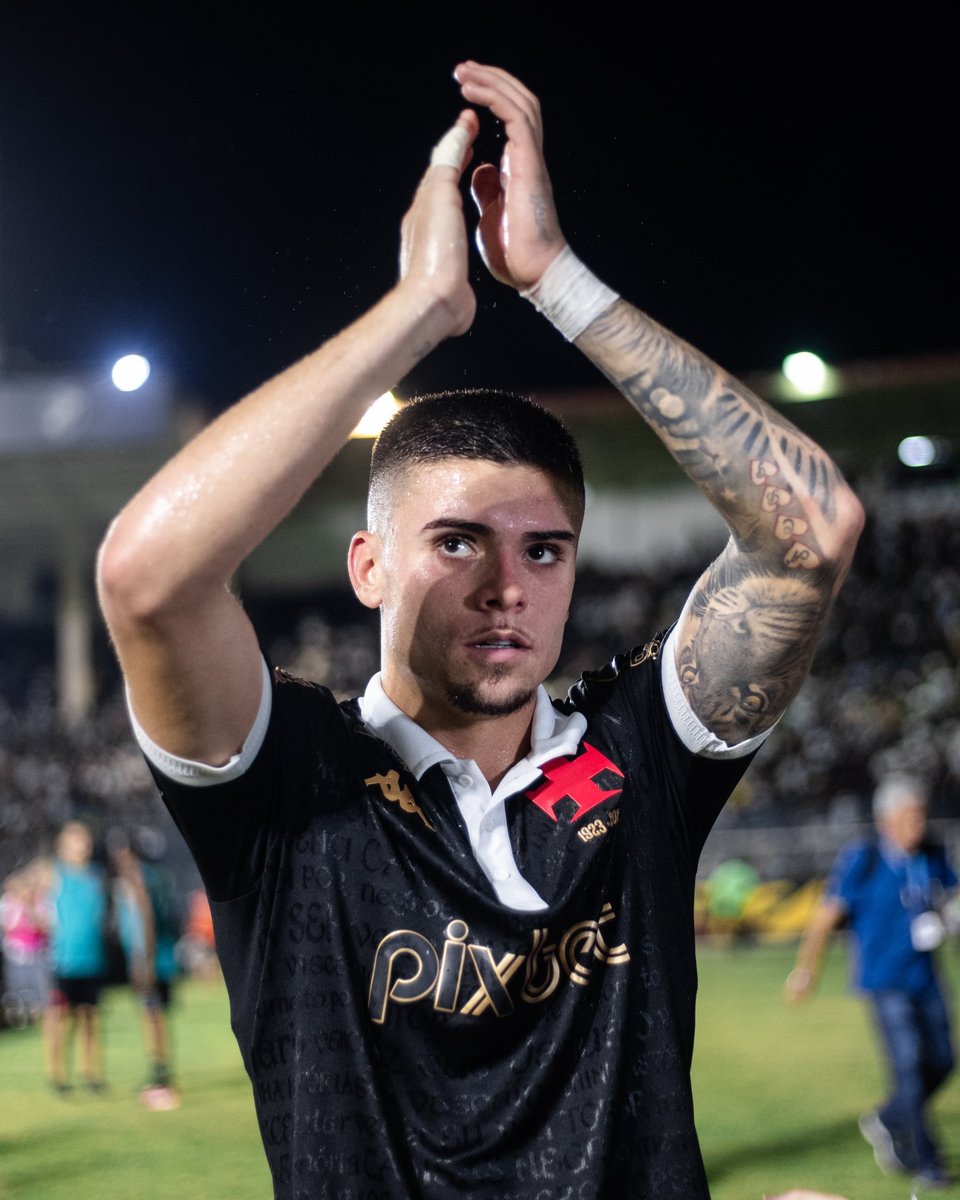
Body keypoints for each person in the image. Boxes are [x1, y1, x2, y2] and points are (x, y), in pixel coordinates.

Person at [97, 61, 863, 1200]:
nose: (508, 585)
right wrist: (420, 308)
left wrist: (557, 280)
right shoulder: (289, 778)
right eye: (457, 542)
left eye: (544, 550)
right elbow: (148, 581)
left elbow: (813, 529)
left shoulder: (639, 751)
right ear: (367, 567)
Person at [785, 773, 958, 1190]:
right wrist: (806, 971)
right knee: (909, 1070)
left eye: (921, 816)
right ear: (887, 821)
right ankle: (926, 1162)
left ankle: (888, 1118)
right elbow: (825, 918)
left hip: (926, 977)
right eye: (910, 817)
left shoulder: (932, 853)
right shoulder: (863, 859)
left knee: (944, 1061)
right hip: (884, 981)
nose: (919, 825)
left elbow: (951, 898)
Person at [108, 827, 182, 1110]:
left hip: (150, 960)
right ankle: (162, 1072)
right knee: (158, 1018)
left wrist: (144, 961)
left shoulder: (136, 878)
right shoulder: (158, 876)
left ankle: (160, 1076)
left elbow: (146, 917)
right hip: (163, 958)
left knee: (151, 1019)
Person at [46, 819, 109, 1094]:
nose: (82, 844)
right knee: (61, 1019)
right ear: (63, 843)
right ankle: (58, 1075)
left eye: (84, 838)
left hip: (92, 959)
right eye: (75, 838)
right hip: (63, 961)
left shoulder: (96, 876)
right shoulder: (53, 873)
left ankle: (91, 1074)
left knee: (90, 1019)